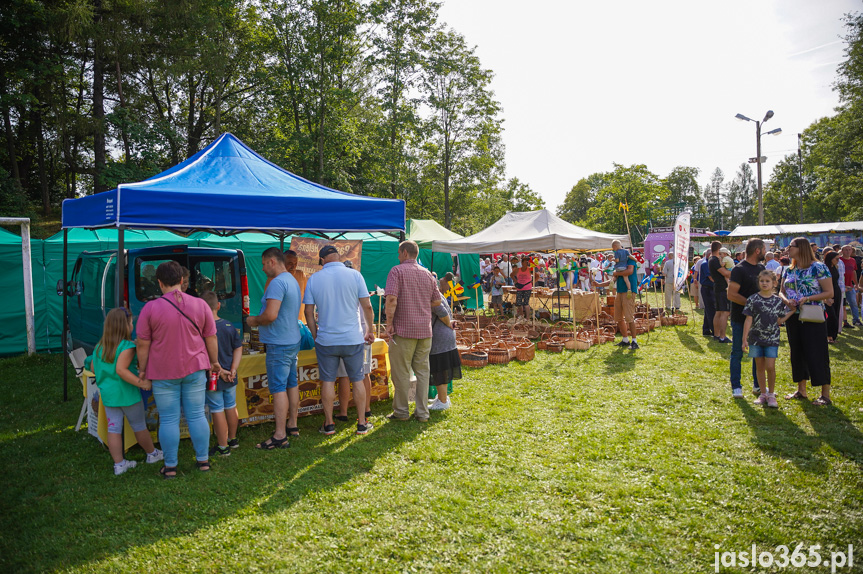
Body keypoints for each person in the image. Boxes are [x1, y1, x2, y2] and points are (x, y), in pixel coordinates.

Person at [136, 260, 219, 479]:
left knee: (169, 418)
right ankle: (203, 460)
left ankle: (170, 466)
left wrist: (142, 370)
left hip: (163, 372)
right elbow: (211, 337)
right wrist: (215, 362)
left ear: (159, 283)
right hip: (195, 368)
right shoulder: (201, 305)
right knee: (196, 415)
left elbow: (142, 344)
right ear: (182, 280)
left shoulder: (150, 308)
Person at [303, 245, 375, 435]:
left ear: (322, 260)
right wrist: (370, 329)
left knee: (327, 381)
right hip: (352, 338)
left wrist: (314, 333)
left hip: (326, 339)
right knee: (357, 379)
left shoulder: (314, 279)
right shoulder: (355, 275)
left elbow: (308, 311)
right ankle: (361, 423)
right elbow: (367, 307)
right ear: (338, 257)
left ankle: (329, 424)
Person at [86, 308, 162, 475]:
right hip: (128, 395)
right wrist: (141, 383)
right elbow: (121, 370)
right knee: (139, 426)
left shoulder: (100, 347)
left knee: (114, 428)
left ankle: (119, 464)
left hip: (109, 395)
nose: (132, 325)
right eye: (131, 323)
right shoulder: (127, 346)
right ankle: (152, 454)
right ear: (124, 325)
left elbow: (92, 366)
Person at [248, 247, 302, 449]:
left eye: (263, 264)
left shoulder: (278, 283)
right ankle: (292, 425)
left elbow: (270, 315)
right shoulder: (291, 280)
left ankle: (280, 435)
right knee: (291, 383)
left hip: (279, 343)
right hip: (290, 340)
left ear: (271, 261)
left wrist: (254, 320)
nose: (262, 269)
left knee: (279, 388)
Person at [384, 240, 441, 422]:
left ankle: (401, 411)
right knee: (423, 371)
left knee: (400, 372)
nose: (398, 256)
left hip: (404, 330)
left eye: (399, 253)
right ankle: (422, 412)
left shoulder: (397, 271)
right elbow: (437, 301)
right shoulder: (428, 274)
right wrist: (422, 305)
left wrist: (389, 324)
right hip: (425, 329)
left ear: (405, 253)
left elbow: (391, 299)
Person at [781, 237, 834, 405]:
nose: (788, 249)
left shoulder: (818, 267)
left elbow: (829, 292)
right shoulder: (790, 269)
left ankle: (825, 394)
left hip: (813, 314)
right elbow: (781, 291)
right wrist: (786, 301)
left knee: (817, 352)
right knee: (796, 351)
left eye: (791, 246)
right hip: (793, 316)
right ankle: (801, 389)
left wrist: (808, 297)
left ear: (801, 248)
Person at [742, 270, 795, 408]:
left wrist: (791, 313)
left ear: (774, 283)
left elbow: (778, 320)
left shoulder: (778, 301)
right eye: (762, 281)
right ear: (758, 282)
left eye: (767, 281)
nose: (764, 283)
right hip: (755, 338)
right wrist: (744, 339)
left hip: (772, 338)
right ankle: (763, 394)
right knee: (759, 367)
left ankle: (771, 394)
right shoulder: (752, 299)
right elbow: (748, 319)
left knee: (770, 367)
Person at [201, 291, 243, 457]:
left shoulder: (203, 329)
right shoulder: (229, 325)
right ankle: (232, 440)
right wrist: (233, 368)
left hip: (214, 376)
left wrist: (224, 371)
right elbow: (238, 347)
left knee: (217, 409)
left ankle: (223, 446)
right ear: (218, 306)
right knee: (231, 405)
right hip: (230, 375)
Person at [727, 239, 767, 399]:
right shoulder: (739, 269)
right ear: (757, 250)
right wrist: (752, 304)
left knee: (757, 353)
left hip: (759, 319)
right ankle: (736, 387)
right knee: (738, 352)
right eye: (764, 249)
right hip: (740, 318)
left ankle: (758, 386)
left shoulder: (761, 268)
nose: (765, 252)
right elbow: (731, 294)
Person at [592, 242, 640, 350]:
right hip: (619, 291)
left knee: (629, 317)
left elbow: (629, 271)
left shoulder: (630, 259)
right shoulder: (618, 264)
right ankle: (625, 339)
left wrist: (615, 273)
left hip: (629, 291)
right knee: (618, 317)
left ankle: (634, 341)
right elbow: (613, 279)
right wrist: (599, 284)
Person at [428, 279, 462, 411]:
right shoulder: (438, 293)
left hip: (440, 337)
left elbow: (441, 312)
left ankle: (442, 401)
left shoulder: (432, 295)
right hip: (445, 335)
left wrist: (448, 323)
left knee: (439, 370)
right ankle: (442, 397)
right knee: (441, 368)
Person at [709, 243, 732, 343]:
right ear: (719, 250)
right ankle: (722, 336)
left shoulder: (712, 259)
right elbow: (725, 273)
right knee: (725, 312)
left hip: (718, 287)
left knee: (718, 312)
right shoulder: (714, 260)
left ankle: (717, 335)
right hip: (722, 288)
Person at [839, 245, 862, 327]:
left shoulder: (853, 260)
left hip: (850, 286)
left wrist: (856, 284)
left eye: (849, 250)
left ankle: (856, 320)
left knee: (854, 303)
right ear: (842, 251)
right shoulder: (839, 260)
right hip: (841, 287)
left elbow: (854, 272)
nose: (848, 251)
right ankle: (841, 322)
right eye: (846, 250)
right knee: (842, 305)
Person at [284, 249, 308, 322]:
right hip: (284, 321)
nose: (293, 266)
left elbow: (307, 297)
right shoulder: (277, 277)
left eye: (295, 264)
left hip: (300, 320)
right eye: (290, 263)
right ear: (282, 262)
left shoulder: (301, 275)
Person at [824, 252, 842, 344]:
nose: (838, 261)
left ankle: (833, 337)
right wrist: (827, 297)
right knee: (831, 315)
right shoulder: (825, 268)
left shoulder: (834, 267)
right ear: (830, 258)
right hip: (829, 293)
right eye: (837, 259)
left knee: (836, 313)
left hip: (836, 291)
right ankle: (829, 336)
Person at [698, 252, 715, 337]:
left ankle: (706, 329)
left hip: (709, 288)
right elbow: (711, 277)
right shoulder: (705, 264)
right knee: (711, 310)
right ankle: (714, 330)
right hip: (707, 288)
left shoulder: (708, 263)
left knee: (708, 309)